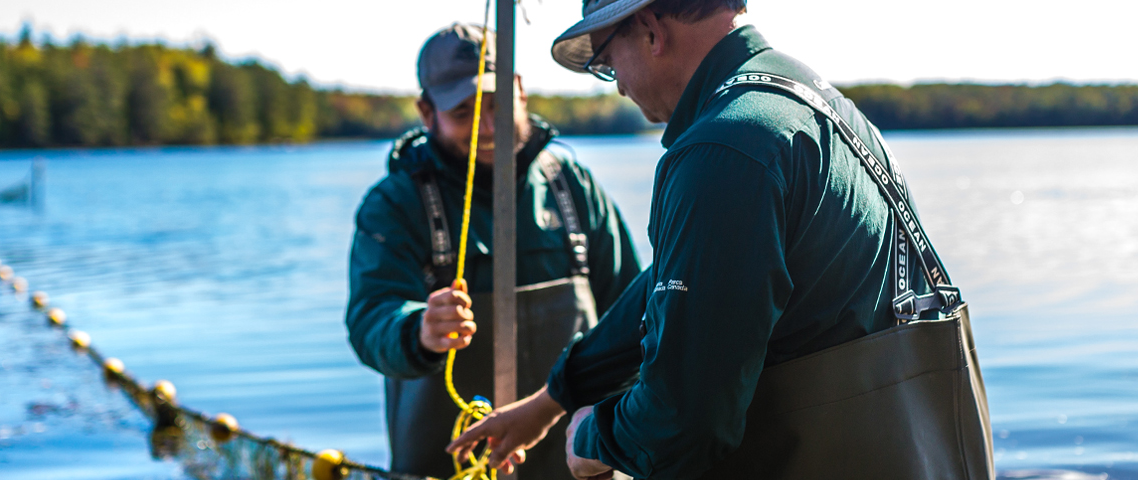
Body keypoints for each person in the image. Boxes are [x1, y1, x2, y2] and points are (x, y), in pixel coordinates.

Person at [447, 1, 995, 479]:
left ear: (650, 30)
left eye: (608, 63)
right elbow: (681, 278)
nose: (618, 85)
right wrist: (555, 397)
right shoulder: (817, 102)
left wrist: (591, 437)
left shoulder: (721, 149)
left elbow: (685, 425)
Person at [345, 23, 644, 480]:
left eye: (498, 104)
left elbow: (635, 313)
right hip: (447, 466)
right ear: (427, 112)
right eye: (463, 112)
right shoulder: (394, 203)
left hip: (578, 464)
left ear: (520, 92)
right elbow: (369, 318)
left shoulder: (572, 185)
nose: (488, 127)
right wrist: (417, 329)